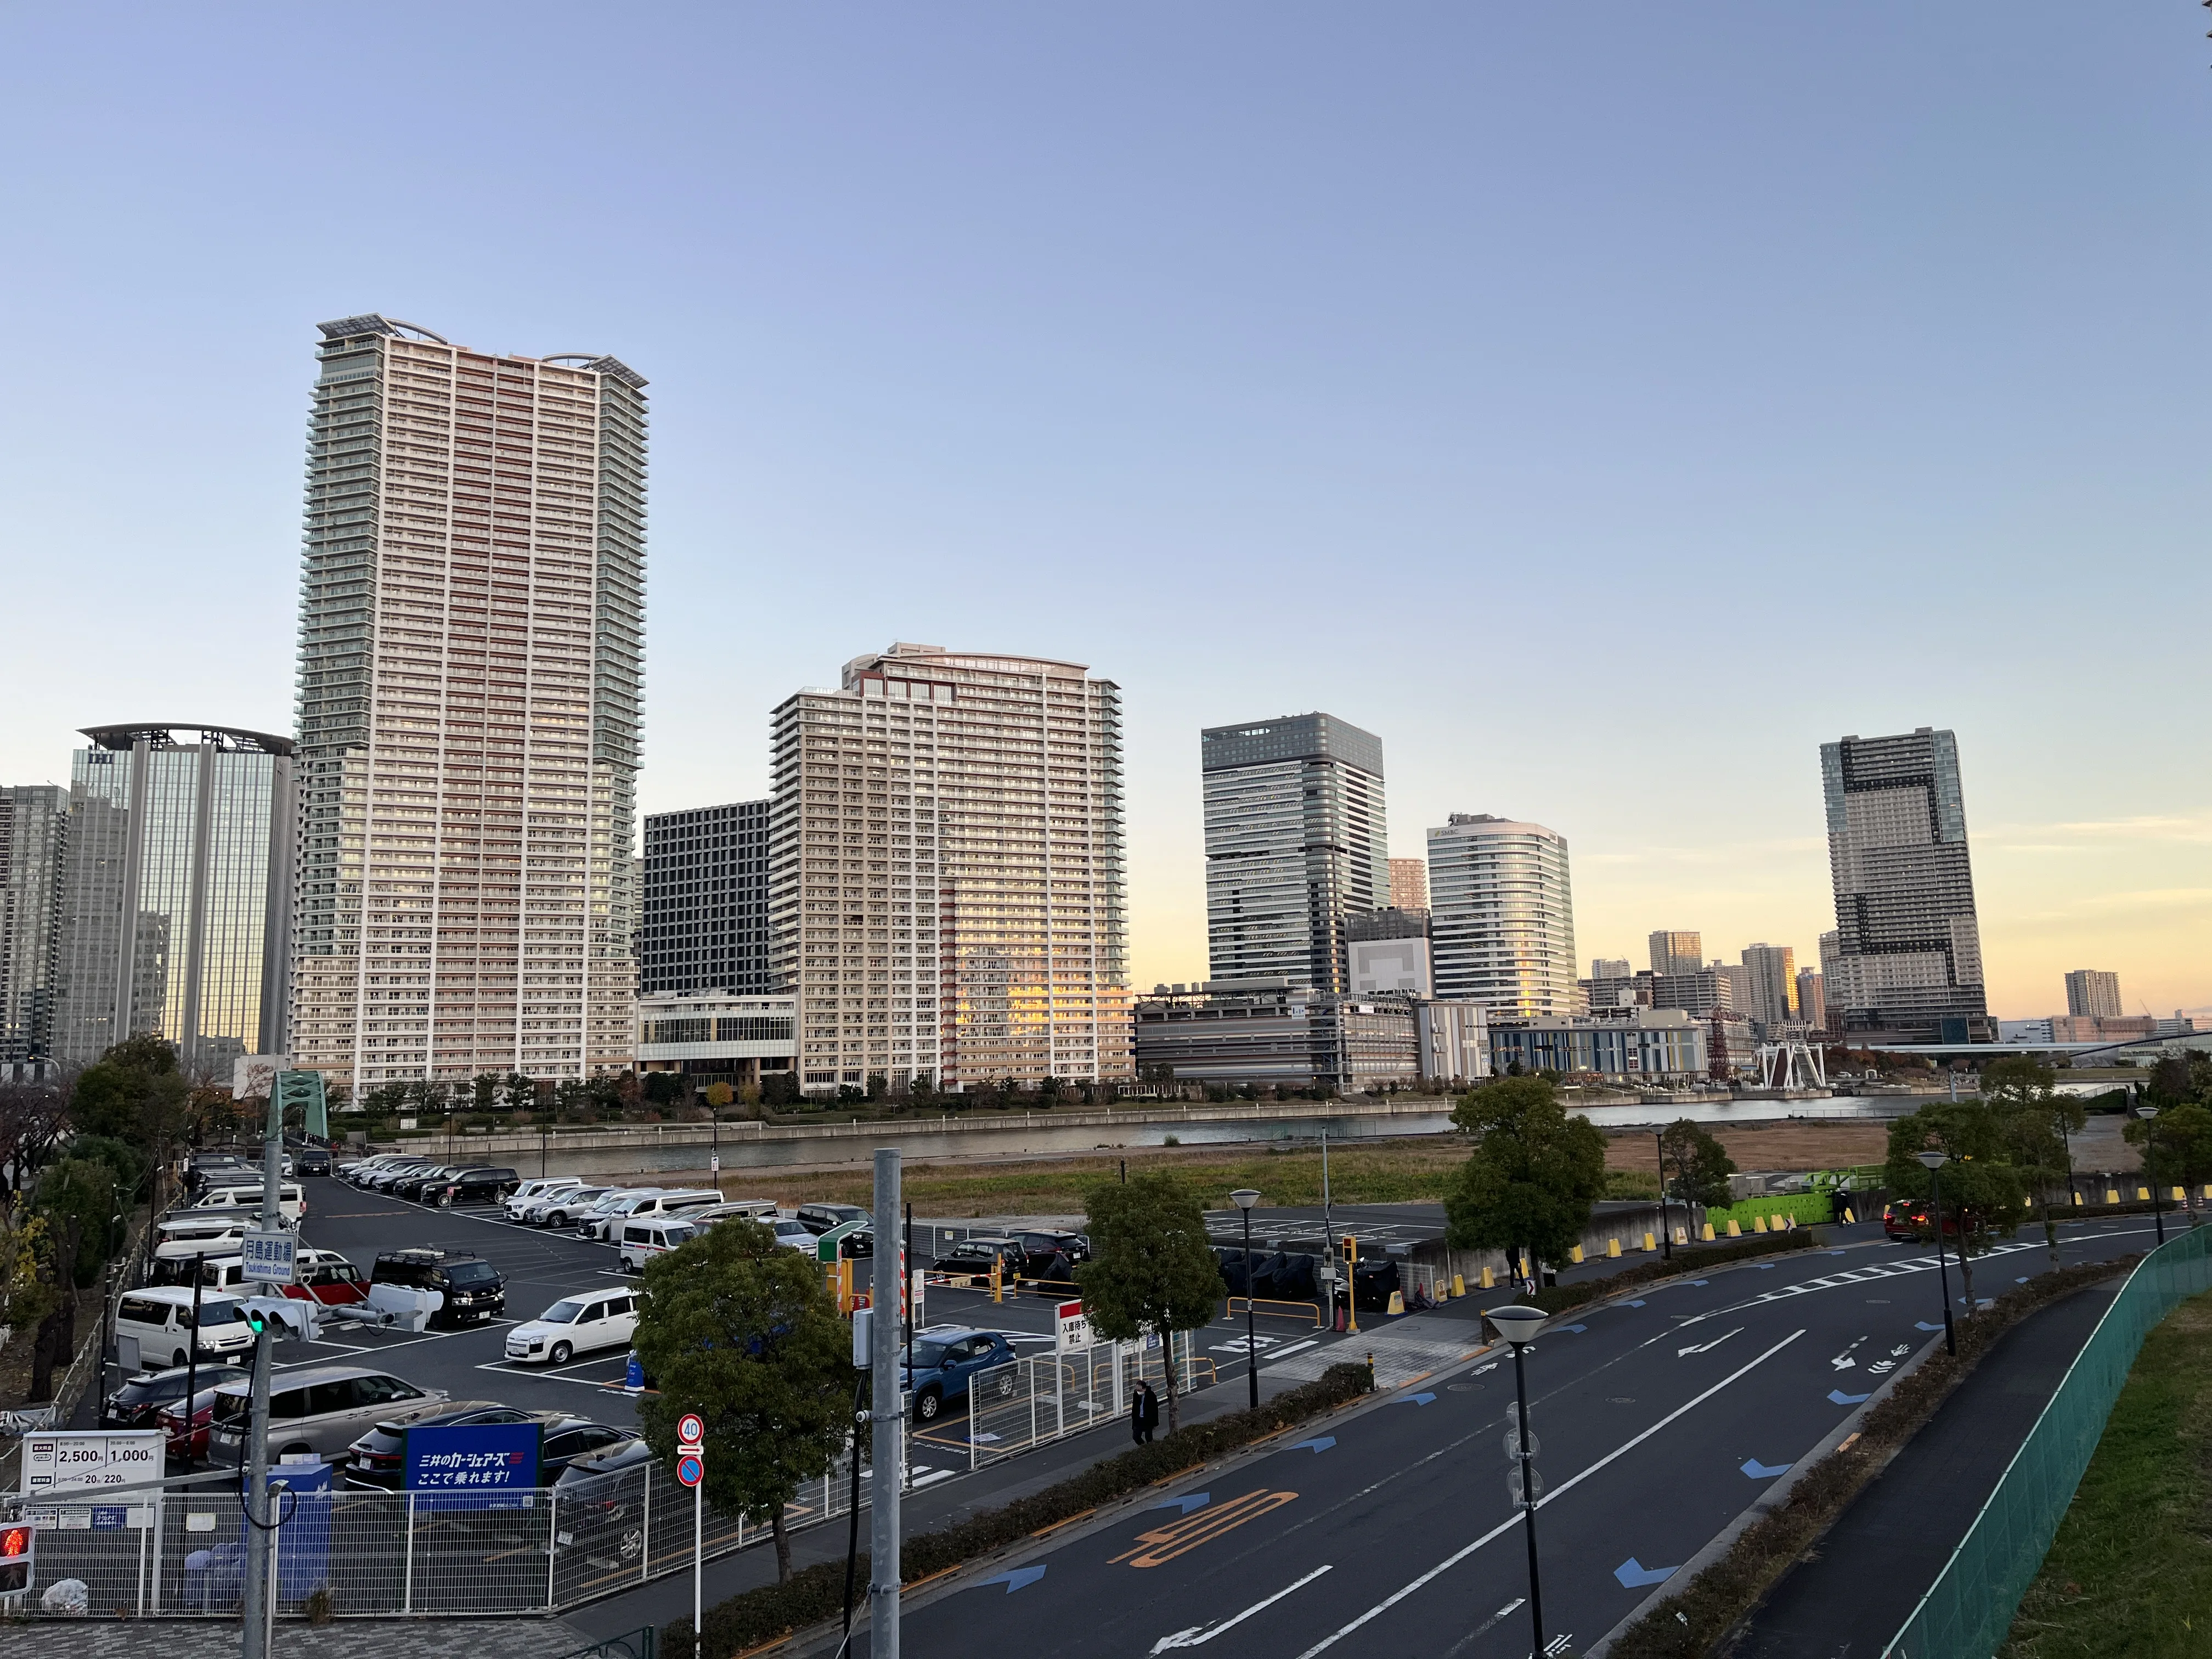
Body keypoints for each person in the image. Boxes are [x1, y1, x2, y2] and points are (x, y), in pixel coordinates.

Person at [1131, 1380, 1160, 1445]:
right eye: (1137, 1390)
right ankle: (1143, 1447)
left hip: (1148, 1420)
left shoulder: (1151, 1396)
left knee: (1149, 1437)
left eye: (1139, 1390)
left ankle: (1151, 1449)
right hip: (1138, 1420)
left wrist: (1155, 1423)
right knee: (1136, 1437)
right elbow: (1135, 1409)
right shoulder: (1136, 1395)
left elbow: (1155, 1410)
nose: (1138, 1392)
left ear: (1144, 1389)